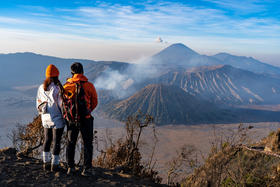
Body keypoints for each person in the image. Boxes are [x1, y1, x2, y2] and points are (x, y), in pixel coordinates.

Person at [63, 62, 98, 176]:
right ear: (82, 72)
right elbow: (94, 102)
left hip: (72, 120)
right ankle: (87, 169)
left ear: (72, 73)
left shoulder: (66, 86)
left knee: (71, 142)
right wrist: (87, 112)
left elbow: (63, 103)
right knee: (87, 143)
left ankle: (70, 167)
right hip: (86, 119)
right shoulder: (89, 86)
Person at [36, 64, 65, 171]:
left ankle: (45, 163)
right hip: (57, 118)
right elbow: (61, 105)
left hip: (45, 118)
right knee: (56, 141)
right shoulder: (57, 88)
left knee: (47, 140)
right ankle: (55, 165)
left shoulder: (41, 88)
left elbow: (38, 103)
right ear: (57, 75)